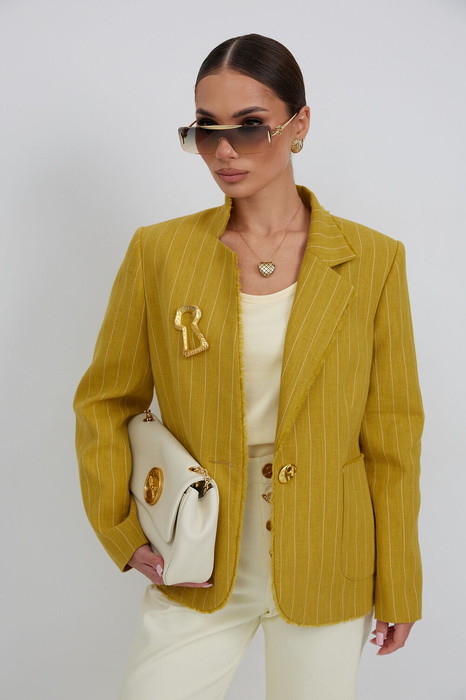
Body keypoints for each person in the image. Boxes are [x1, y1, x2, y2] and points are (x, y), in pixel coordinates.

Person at [74, 33, 423, 700]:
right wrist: (120, 531)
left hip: (329, 556)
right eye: (206, 129)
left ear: (300, 125)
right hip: (197, 552)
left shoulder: (374, 261)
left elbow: (393, 435)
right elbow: (106, 401)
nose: (225, 151)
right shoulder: (159, 253)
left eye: (250, 126)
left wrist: (400, 580)